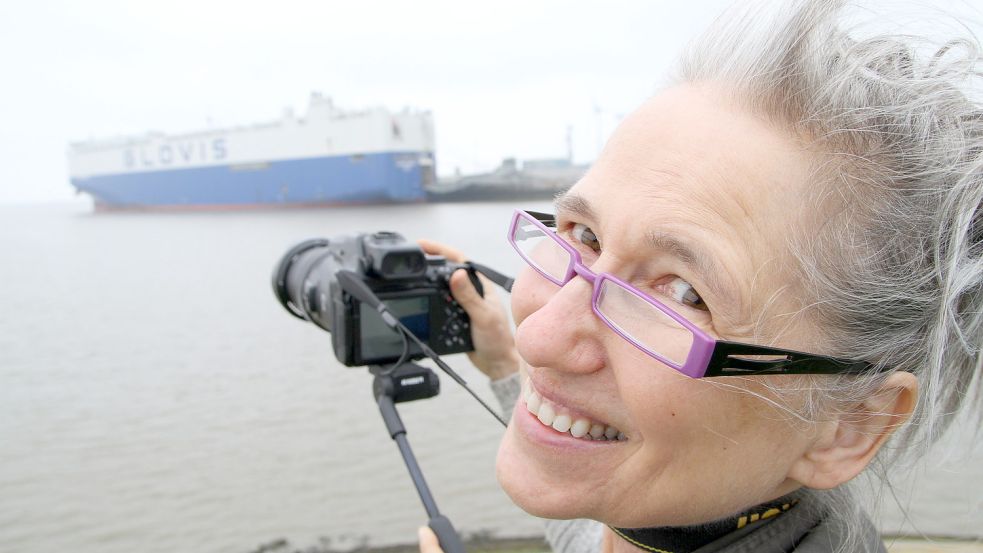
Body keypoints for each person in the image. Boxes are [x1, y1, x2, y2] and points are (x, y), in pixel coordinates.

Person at [418, 0, 983, 551]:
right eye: (584, 236)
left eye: (685, 294)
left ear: (850, 425)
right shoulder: (689, 512)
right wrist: (498, 362)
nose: (537, 338)